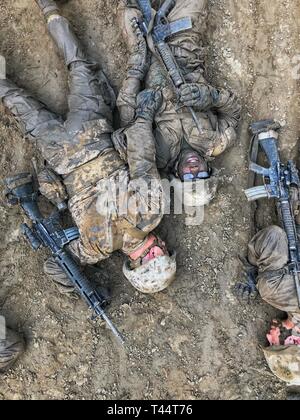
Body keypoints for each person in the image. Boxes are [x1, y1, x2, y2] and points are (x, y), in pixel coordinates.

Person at [0, 0, 176, 295]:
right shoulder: (95, 249)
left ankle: (47, 8)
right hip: (58, 154)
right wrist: (86, 289)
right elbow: (55, 266)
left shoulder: (151, 212)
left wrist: (144, 115)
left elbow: (141, 155)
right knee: (14, 99)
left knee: (80, 65)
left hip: (92, 130)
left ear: (156, 253)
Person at [116, 0, 241, 206]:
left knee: (129, 11)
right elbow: (233, 112)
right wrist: (209, 97)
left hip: (146, 58)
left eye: (190, 178)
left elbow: (126, 130)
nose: (194, 171)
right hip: (184, 47)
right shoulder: (216, 142)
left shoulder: (157, 157)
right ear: (209, 169)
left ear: (177, 175)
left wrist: (137, 72)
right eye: (202, 175)